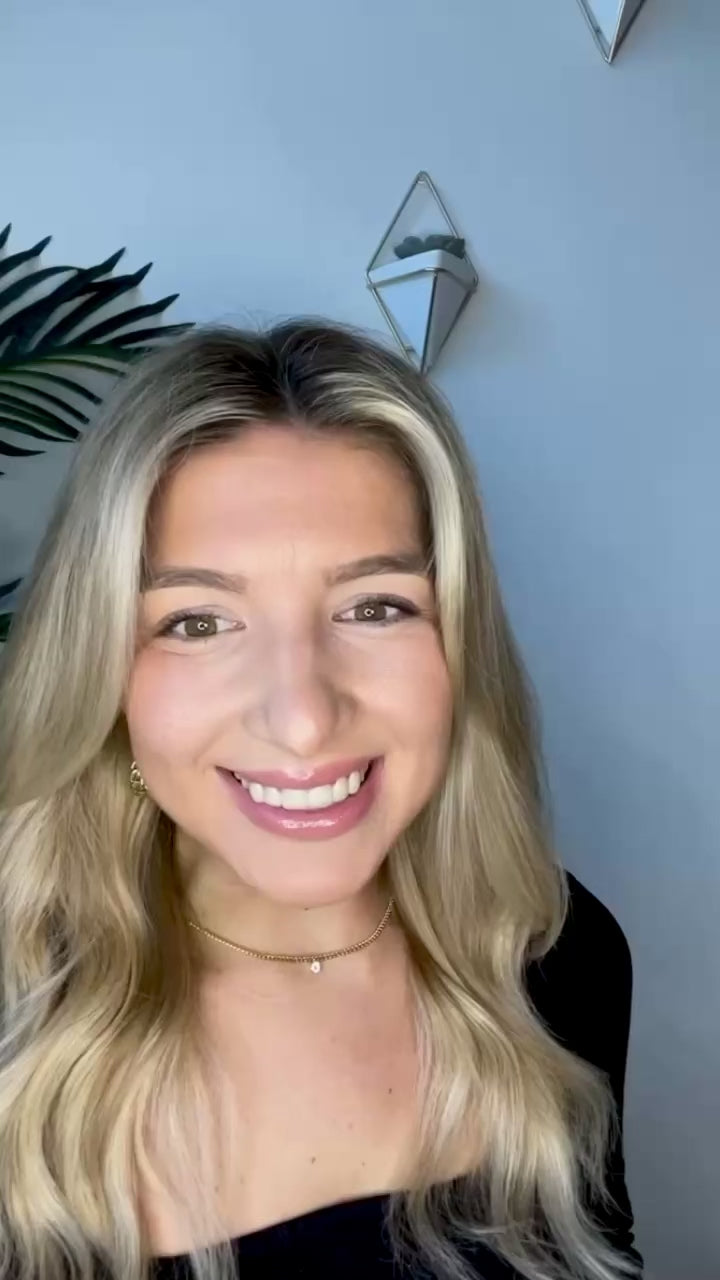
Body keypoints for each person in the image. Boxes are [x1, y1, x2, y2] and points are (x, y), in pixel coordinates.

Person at [0, 322, 642, 1280]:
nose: (302, 719)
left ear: (457, 644)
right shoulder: (18, 1014)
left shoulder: (551, 953)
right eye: (198, 621)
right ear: (103, 677)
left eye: (375, 607)